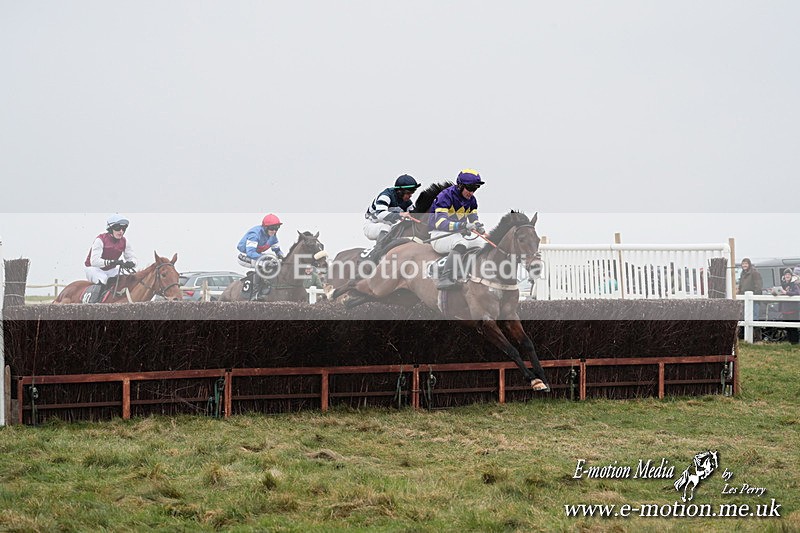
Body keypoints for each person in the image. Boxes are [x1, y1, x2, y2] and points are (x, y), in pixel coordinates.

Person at [428, 169, 486, 290]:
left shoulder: (472, 201)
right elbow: (440, 222)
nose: (471, 192)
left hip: (458, 234)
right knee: (461, 243)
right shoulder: (445, 196)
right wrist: (461, 226)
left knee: (482, 244)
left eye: (474, 189)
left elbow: (473, 217)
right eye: (469, 188)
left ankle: (466, 272)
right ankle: (445, 278)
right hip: (439, 234)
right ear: (460, 186)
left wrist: (477, 225)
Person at [84, 214, 138, 302]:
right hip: (93, 268)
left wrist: (131, 263)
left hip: (111, 270)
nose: (121, 231)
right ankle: (93, 304)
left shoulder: (124, 241)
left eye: (123, 229)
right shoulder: (100, 240)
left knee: (126, 278)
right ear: (110, 229)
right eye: (117, 228)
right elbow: (94, 261)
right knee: (103, 279)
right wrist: (112, 262)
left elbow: (133, 258)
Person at [236, 214, 285, 300]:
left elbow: (277, 250)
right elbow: (251, 253)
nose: (274, 231)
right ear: (265, 228)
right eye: (272, 228)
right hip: (244, 256)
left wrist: (282, 256)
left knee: (273, 261)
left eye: (276, 228)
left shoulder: (273, 236)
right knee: (264, 263)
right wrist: (265, 258)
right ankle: (255, 294)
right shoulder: (255, 234)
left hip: (256, 255)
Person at [737, 258, 764, 342]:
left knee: (754, 318)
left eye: (746, 264)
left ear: (749, 264)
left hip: (753, 300)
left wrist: (754, 297)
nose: (744, 265)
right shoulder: (742, 274)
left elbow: (758, 286)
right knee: (745, 318)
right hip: (744, 300)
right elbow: (741, 286)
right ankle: (745, 337)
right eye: (743, 264)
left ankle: (757, 338)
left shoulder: (755, 273)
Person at [773, 268, 800, 344]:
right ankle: (790, 342)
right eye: (786, 274)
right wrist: (775, 292)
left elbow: (797, 293)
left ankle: (795, 342)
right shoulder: (783, 285)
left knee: (793, 327)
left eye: (789, 274)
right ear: (784, 276)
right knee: (787, 327)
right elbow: (780, 292)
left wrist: (786, 292)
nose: (787, 276)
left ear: (791, 276)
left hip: (793, 310)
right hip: (785, 310)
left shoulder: (794, 284)